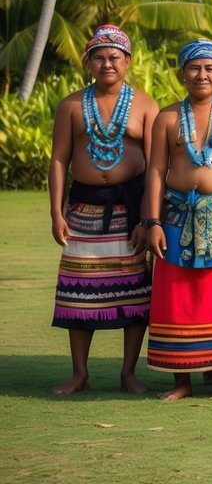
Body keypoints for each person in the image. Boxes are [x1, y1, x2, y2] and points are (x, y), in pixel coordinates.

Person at [141, 39, 212, 400]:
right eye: (194, 67)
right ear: (182, 74)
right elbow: (156, 170)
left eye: (210, 68)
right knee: (178, 299)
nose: (201, 74)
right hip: (177, 219)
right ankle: (181, 382)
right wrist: (153, 221)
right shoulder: (167, 116)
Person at [48, 25, 158, 395]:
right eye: (99, 56)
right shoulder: (71, 105)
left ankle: (128, 372)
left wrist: (147, 219)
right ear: (89, 62)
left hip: (130, 210)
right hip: (84, 209)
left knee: (136, 294)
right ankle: (80, 372)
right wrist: (56, 213)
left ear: (127, 61)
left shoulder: (145, 104)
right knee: (78, 292)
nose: (107, 63)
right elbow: (60, 160)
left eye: (114, 57)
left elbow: (154, 165)